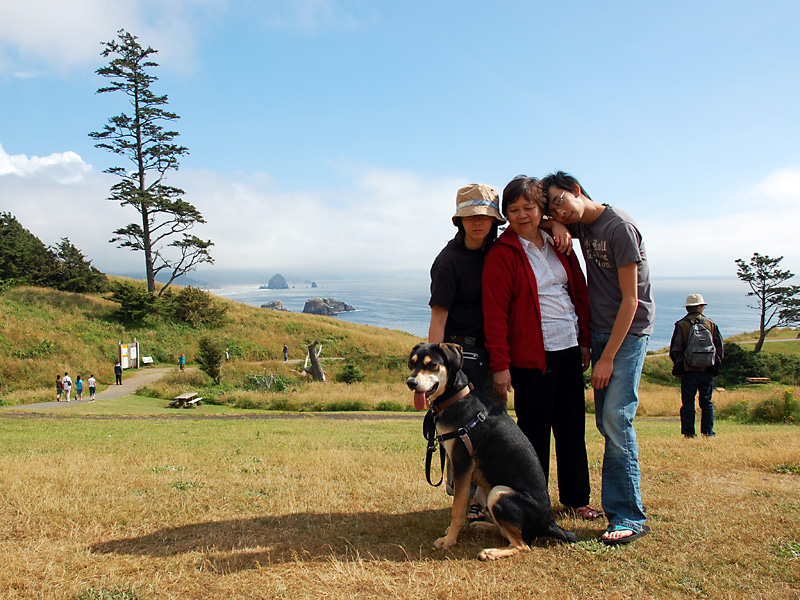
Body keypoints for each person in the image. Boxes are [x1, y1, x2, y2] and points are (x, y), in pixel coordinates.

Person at [542, 170, 655, 545]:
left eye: (560, 200)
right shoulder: (582, 226)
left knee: (616, 420)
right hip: (603, 330)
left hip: (628, 332)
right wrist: (554, 221)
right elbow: (531, 219)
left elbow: (632, 300)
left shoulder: (618, 227)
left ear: (577, 190)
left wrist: (606, 356)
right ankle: (618, 509)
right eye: (552, 205)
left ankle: (628, 516)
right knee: (608, 424)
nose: (560, 209)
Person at [482, 176, 600, 520]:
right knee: (533, 434)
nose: (522, 215)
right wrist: (500, 365)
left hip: (568, 347)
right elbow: (495, 314)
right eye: (513, 209)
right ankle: (534, 502)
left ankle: (577, 498)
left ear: (541, 209)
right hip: (531, 357)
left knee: (571, 427)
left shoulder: (559, 243)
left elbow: (578, 293)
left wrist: (584, 342)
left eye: (529, 207)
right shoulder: (502, 254)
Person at [428, 182, 505, 521]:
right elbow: (438, 318)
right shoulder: (449, 262)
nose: (477, 223)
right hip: (460, 357)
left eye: (485, 216)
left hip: (493, 354)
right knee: (462, 429)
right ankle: (467, 501)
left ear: (494, 221)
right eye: (470, 216)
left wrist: (557, 225)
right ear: (459, 220)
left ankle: (485, 496)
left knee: (490, 429)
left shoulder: (496, 251)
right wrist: (435, 372)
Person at [669, 294, 724, 438]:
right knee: (706, 402)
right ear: (700, 307)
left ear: (687, 308)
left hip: (688, 371)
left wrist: (682, 366)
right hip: (707, 370)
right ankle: (708, 432)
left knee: (688, 403)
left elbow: (675, 350)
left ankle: (689, 433)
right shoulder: (711, 324)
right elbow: (719, 349)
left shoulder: (682, 325)